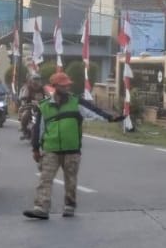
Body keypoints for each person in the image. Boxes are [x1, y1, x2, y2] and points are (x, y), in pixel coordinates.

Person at [24, 72, 119, 220]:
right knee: (45, 178)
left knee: (71, 179)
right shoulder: (44, 106)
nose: (67, 87)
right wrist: (35, 148)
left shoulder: (76, 102)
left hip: (72, 149)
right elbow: (38, 129)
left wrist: (110, 118)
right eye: (64, 85)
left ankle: (69, 205)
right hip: (50, 149)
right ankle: (41, 208)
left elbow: (94, 111)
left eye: (68, 85)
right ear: (55, 86)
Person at [18, 73, 48, 139]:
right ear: (31, 80)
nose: (36, 81)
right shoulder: (28, 88)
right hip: (30, 106)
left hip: (41, 106)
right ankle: (24, 129)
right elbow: (24, 96)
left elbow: (49, 96)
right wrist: (24, 98)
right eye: (35, 79)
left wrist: (50, 99)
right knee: (25, 116)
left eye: (38, 79)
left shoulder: (43, 88)